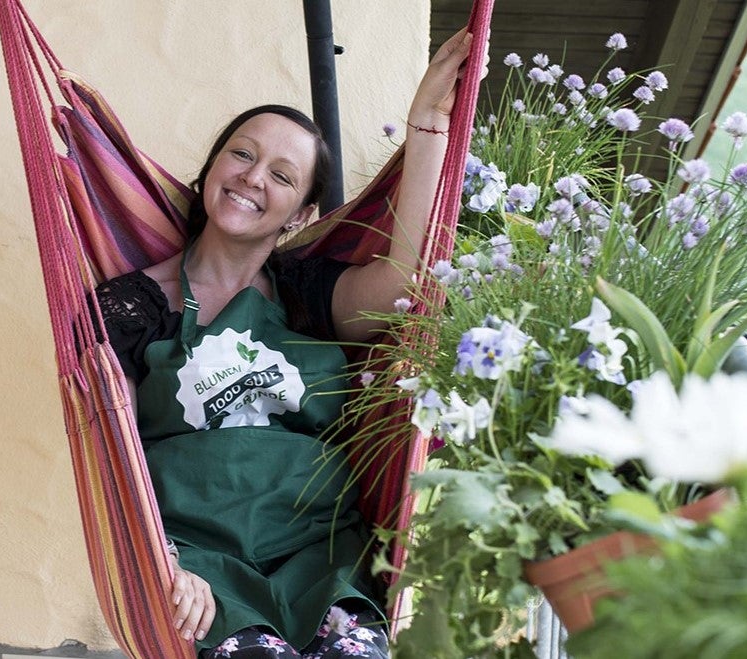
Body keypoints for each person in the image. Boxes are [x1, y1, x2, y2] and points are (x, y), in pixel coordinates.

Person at [95, 27, 482, 658]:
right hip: (202, 566)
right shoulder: (133, 306)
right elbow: (115, 457)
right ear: (210, 170)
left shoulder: (308, 293)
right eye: (241, 155)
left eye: (281, 174)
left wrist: (429, 124)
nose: (252, 178)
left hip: (320, 557)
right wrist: (162, 562)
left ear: (301, 215)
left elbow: (406, 280)